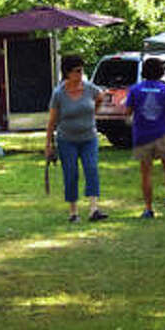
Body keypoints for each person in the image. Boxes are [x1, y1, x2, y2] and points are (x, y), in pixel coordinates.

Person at [45, 54, 108, 223]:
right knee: (71, 173)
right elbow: (51, 121)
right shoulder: (58, 94)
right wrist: (48, 145)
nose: (81, 74)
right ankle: (73, 212)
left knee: (91, 169)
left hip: (89, 137)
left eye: (82, 70)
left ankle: (94, 209)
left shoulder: (89, 88)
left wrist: (94, 113)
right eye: (77, 71)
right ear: (67, 73)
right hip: (67, 139)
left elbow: (100, 97)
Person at [125, 57, 165, 220]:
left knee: (146, 173)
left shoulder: (135, 90)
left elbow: (127, 112)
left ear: (144, 71)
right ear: (161, 72)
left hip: (142, 135)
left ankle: (148, 209)